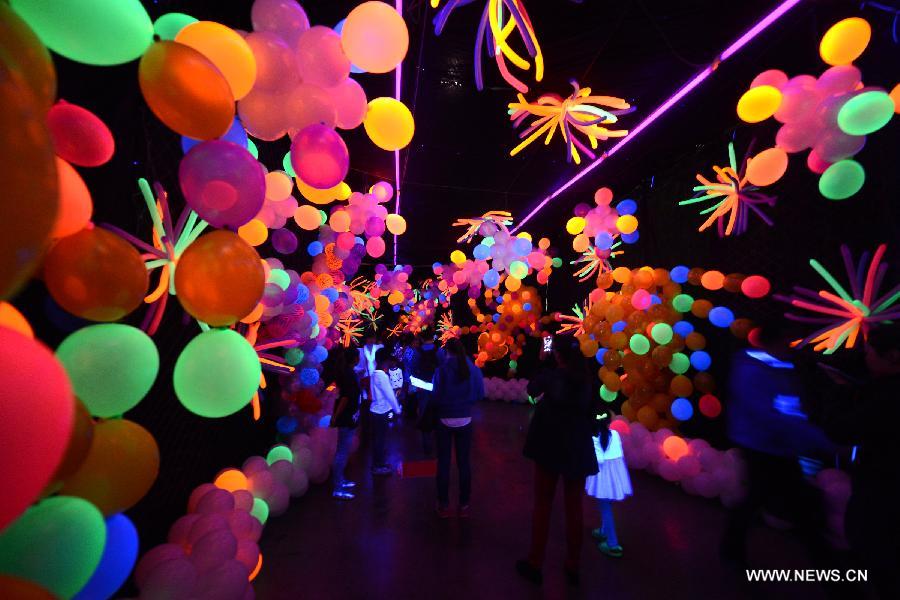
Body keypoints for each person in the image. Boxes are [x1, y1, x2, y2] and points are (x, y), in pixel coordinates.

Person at [821, 326, 900, 599]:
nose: (866, 359)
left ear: (892, 356)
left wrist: (839, 391)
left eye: (869, 353)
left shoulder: (888, 397)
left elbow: (840, 430)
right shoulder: (883, 390)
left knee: (874, 545)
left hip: (883, 486)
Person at [517, 336, 598, 586]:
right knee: (575, 507)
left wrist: (542, 363)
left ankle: (535, 562)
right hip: (577, 447)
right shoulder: (586, 380)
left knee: (543, 503)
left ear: (557, 354)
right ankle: (573, 565)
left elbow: (531, 389)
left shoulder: (551, 376)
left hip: (549, 445)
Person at [428, 338, 484, 518]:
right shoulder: (473, 370)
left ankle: (443, 505)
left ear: (447, 352)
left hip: (444, 420)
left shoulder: (441, 370)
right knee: (464, 463)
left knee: (443, 463)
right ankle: (464, 504)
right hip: (465, 419)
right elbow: (480, 394)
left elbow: (435, 396)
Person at [585, 409, 632, 557]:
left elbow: (599, 460)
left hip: (603, 477)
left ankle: (613, 544)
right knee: (607, 505)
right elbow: (619, 454)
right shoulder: (615, 434)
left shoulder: (594, 437)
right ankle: (604, 530)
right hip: (617, 476)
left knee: (605, 508)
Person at [330, 347, 361, 500]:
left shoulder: (349, 372)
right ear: (354, 358)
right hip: (346, 417)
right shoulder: (348, 374)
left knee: (343, 450)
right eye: (358, 356)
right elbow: (345, 398)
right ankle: (337, 488)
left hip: (350, 416)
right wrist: (335, 417)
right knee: (342, 451)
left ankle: (340, 480)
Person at [369, 347, 402, 476]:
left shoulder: (375, 373)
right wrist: (397, 409)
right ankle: (378, 466)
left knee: (378, 439)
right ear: (385, 361)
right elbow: (390, 395)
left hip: (376, 410)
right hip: (380, 412)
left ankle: (379, 464)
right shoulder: (382, 376)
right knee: (380, 440)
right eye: (389, 360)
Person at [355, 330, 383, 399]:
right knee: (366, 397)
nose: (371, 340)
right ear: (366, 339)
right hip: (365, 377)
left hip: (376, 377)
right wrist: (360, 371)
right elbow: (356, 366)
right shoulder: (360, 350)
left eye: (373, 338)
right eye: (369, 338)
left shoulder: (379, 348)